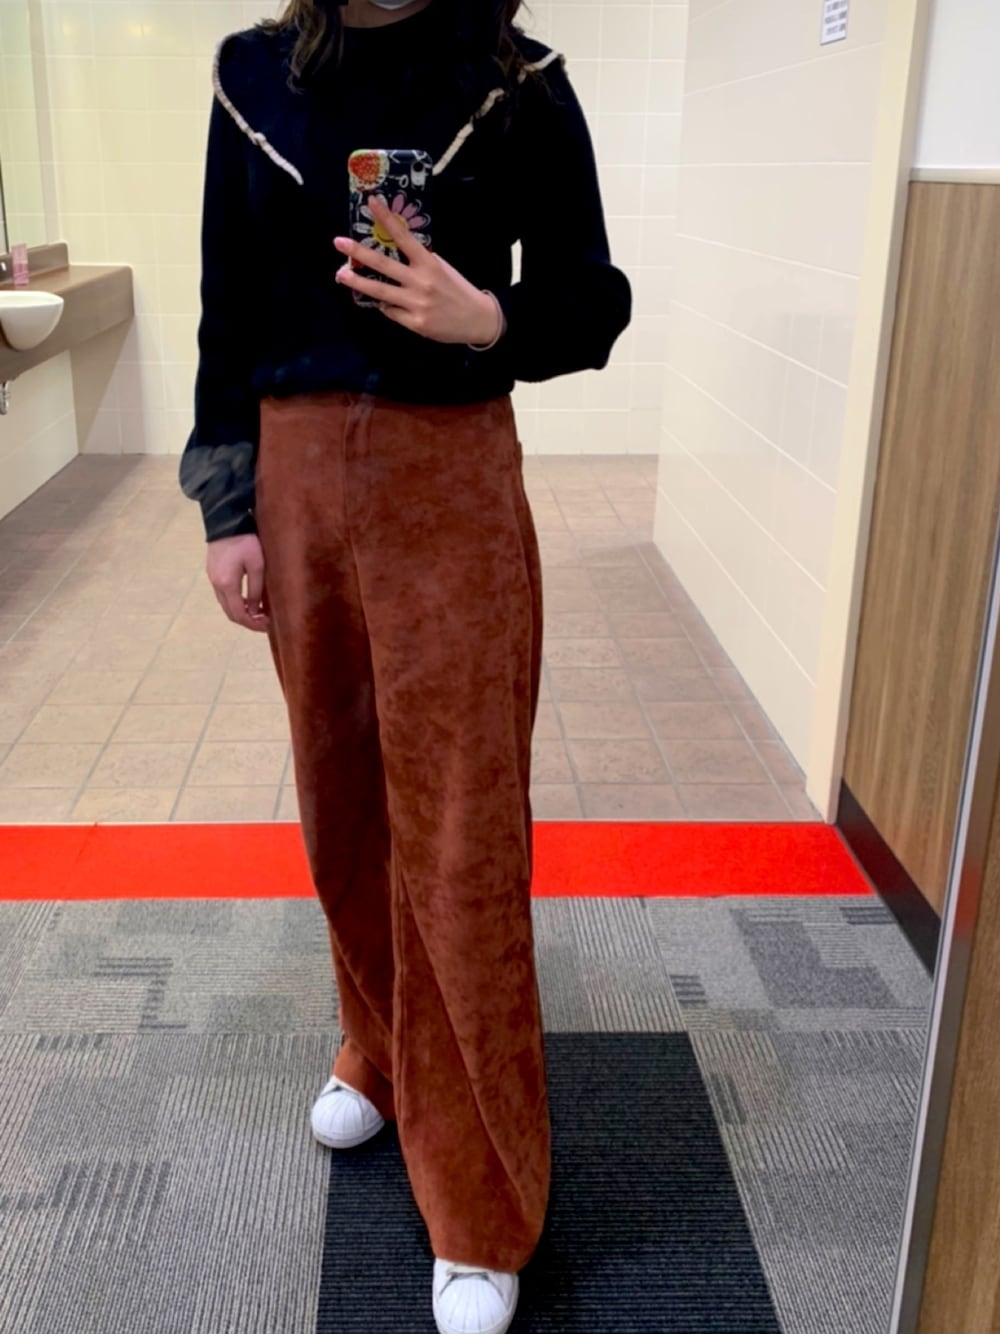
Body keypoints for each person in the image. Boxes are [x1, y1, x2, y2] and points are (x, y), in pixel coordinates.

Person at [180, 1, 630, 1330]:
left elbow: (591, 297)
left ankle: (481, 1193)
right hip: (296, 476)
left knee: (459, 828)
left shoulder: (515, 78)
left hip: (450, 475)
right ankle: (379, 1047)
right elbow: (226, 306)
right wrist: (228, 505)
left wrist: (485, 316)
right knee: (342, 807)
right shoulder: (253, 76)